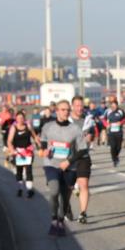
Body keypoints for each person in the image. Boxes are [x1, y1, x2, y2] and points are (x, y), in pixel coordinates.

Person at [39, 99, 86, 236]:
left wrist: (68, 161)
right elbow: (43, 142)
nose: (65, 112)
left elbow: (82, 150)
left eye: (67, 110)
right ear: (57, 111)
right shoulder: (48, 127)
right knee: (54, 191)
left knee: (65, 198)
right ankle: (54, 220)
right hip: (51, 164)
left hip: (69, 167)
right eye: (63, 109)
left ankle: (60, 220)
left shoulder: (75, 129)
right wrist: (44, 150)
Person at [70, 96, 96, 224]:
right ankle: (66, 207)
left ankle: (83, 213)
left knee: (84, 185)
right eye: (77, 105)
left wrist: (90, 137)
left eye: (81, 105)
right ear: (72, 106)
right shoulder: (66, 120)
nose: (80, 108)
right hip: (68, 158)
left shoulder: (88, 120)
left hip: (83, 157)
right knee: (67, 187)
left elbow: (91, 135)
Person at [6, 111, 36, 198]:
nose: (20, 120)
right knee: (19, 171)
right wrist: (12, 150)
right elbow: (9, 141)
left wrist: (39, 144)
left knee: (29, 170)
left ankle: (29, 190)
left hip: (28, 151)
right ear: (16, 119)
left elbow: (34, 136)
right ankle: (20, 189)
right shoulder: (13, 127)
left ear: (24, 118)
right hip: (18, 152)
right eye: (18, 118)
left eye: (22, 118)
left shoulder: (28, 126)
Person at [104, 97, 125, 167]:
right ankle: (114, 159)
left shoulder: (121, 111)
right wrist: (107, 124)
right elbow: (103, 119)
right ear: (111, 106)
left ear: (117, 106)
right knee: (113, 146)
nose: (114, 107)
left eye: (115, 106)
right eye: (112, 106)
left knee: (119, 147)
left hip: (119, 132)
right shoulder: (108, 111)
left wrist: (120, 122)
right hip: (111, 132)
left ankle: (116, 156)